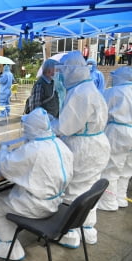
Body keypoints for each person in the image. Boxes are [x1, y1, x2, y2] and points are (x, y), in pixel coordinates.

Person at [0, 108, 73, 260]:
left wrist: (2, 150)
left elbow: (7, 166)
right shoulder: (60, 145)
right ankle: (8, 229)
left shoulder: (33, 149)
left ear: (31, 128)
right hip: (56, 203)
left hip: (37, 207)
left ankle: (10, 246)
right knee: (11, 195)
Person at [51, 51, 110, 247]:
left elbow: (65, 127)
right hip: (99, 144)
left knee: (74, 190)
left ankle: (70, 234)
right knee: (89, 189)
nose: (61, 76)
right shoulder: (90, 88)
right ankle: (88, 228)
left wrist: (48, 124)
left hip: (83, 148)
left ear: (71, 71)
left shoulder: (79, 93)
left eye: (63, 71)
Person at [97, 66, 132, 211]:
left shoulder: (113, 92)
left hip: (117, 130)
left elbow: (102, 112)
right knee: (127, 168)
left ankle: (109, 201)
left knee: (111, 166)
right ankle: (121, 197)